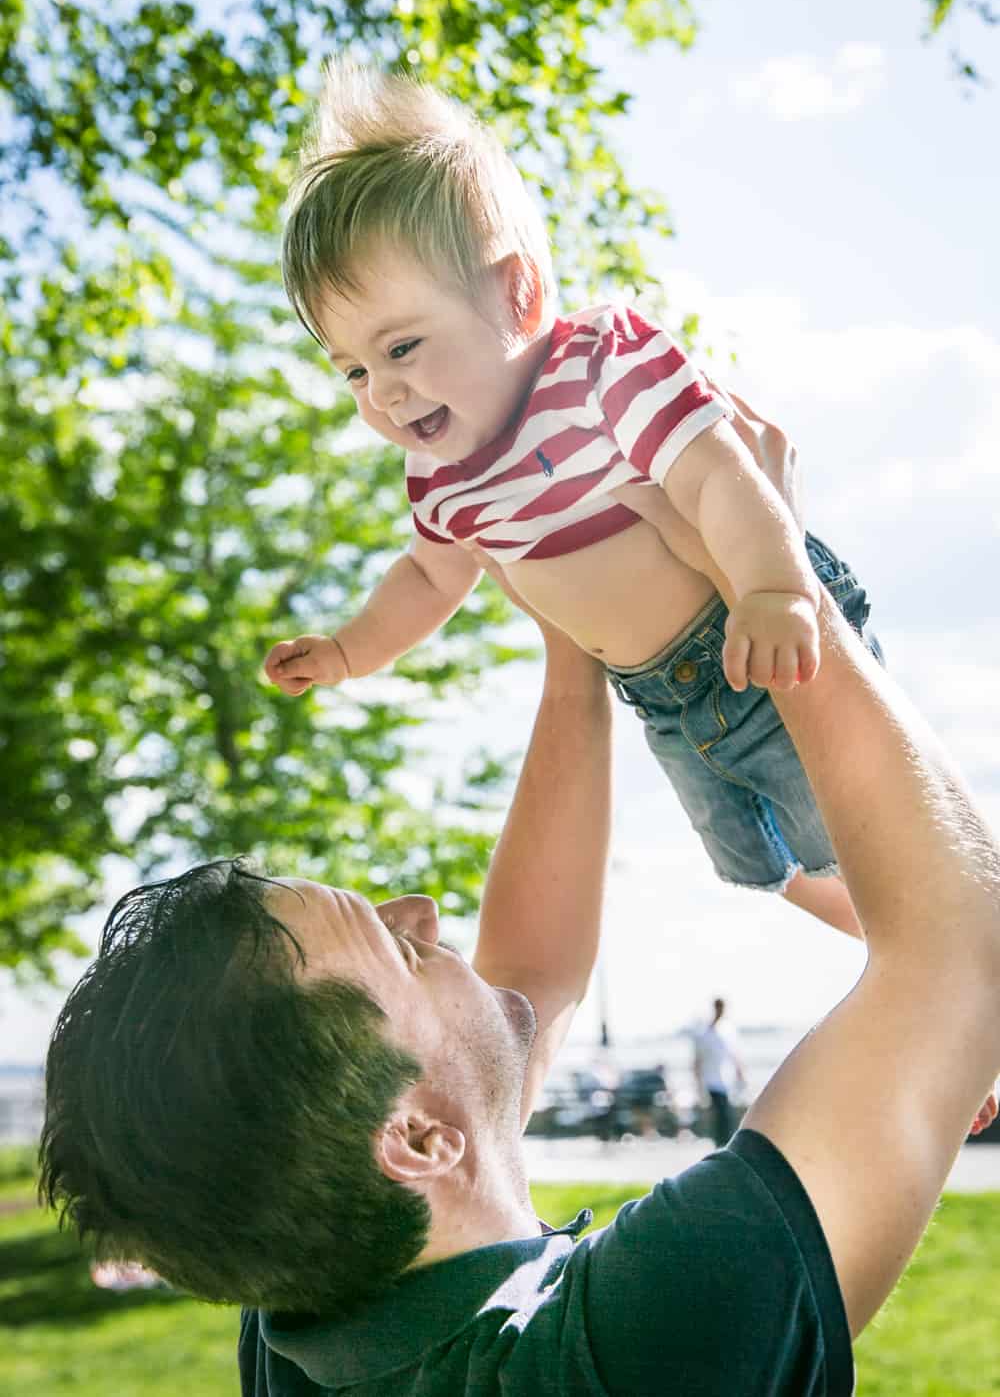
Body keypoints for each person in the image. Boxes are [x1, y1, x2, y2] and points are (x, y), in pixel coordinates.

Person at [41, 402, 999, 1396]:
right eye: (397, 947)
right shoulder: (646, 1341)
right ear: (416, 1140)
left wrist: (571, 638)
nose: (420, 910)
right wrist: (776, 581)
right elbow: (960, 954)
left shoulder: (302, 1288)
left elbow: (523, 987)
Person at [263, 59, 877, 946]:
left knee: (864, 840)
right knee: (766, 863)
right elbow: (428, 580)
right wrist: (350, 652)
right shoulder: (442, 475)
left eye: (401, 347)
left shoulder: (600, 367)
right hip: (663, 702)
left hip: (750, 629)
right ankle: (914, 952)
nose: (383, 392)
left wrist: (778, 591)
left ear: (518, 296)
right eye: (354, 370)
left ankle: (953, 966)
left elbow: (719, 476)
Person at [692, 997, 747, 1147]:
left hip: (727, 1080)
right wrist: (697, 1083)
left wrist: (741, 1074)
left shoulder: (727, 1031)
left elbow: (735, 1055)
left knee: (726, 1114)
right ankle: (721, 1144)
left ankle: (724, 1144)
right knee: (721, 1114)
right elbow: (697, 1060)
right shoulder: (704, 1033)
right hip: (711, 1080)